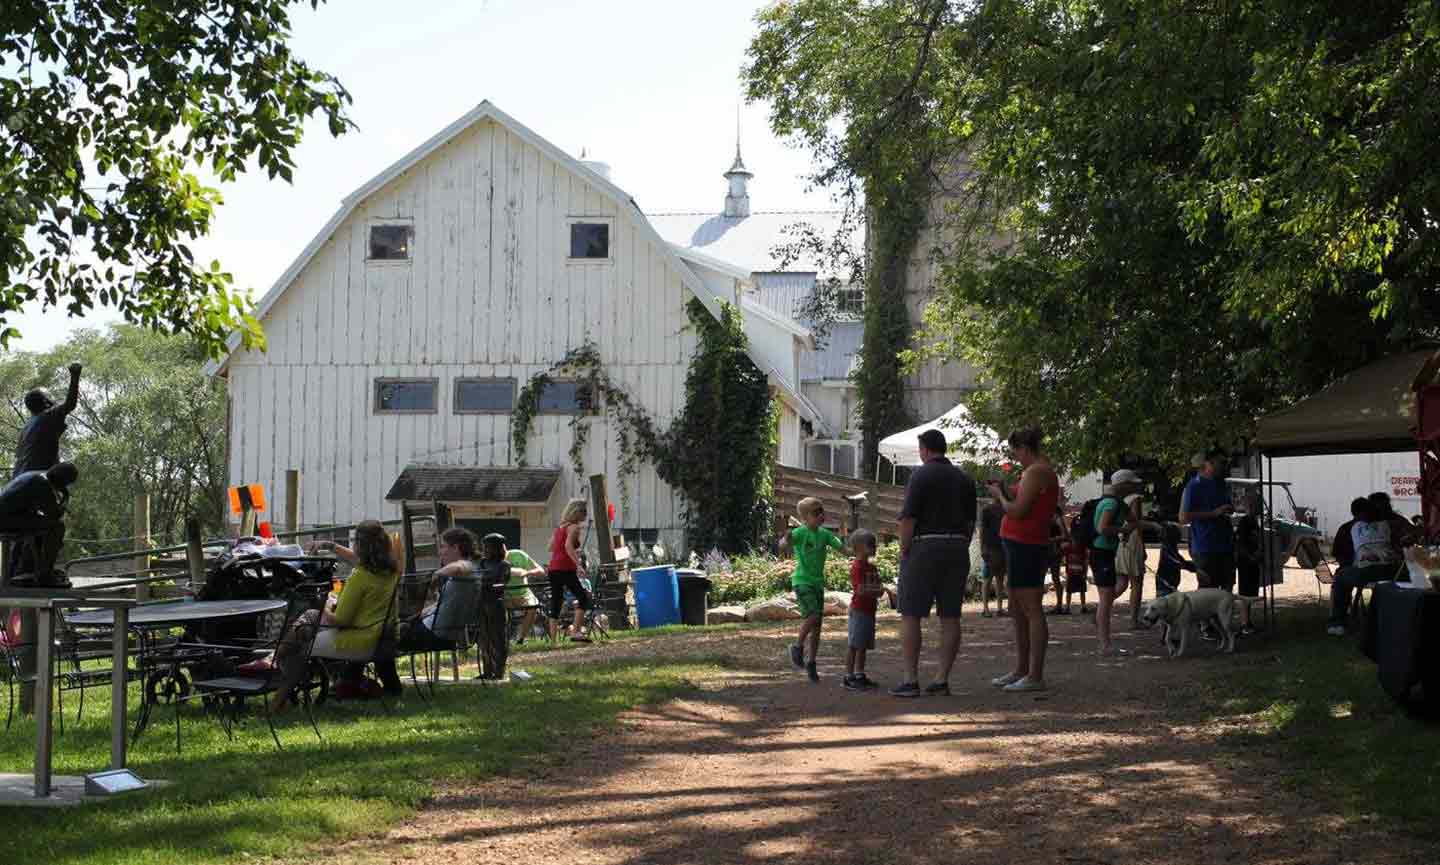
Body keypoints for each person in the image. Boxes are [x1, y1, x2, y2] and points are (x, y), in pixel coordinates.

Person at [268, 520, 401, 710]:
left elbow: (342, 620)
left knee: (305, 638)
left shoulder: (360, 576)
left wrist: (320, 604)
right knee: (309, 619)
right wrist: (330, 546)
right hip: (383, 637)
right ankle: (275, 664)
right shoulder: (391, 570)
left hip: (361, 639)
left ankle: (276, 685)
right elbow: (358, 560)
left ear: (360, 546)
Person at [892, 428, 977, 698]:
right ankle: (941, 679)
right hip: (956, 547)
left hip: (924, 547)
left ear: (925, 450)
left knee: (911, 613)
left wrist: (903, 549)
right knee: (950, 616)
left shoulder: (920, 475)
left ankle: (910, 679)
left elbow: (908, 518)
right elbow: (971, 523)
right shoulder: (965, 479)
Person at [987, 426, 1059, 692]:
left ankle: (1034, 675)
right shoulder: (1035, 472)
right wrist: (1005, 491)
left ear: (1024, 448)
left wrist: (999, 497)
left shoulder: (1037, 471)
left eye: (1015, 452)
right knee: (1018, 609)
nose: (1015, 458)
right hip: (1020, 543)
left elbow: (1017, 511)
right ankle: (1022, 669)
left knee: (1031, 609)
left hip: (1027, 544)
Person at [782, 497, 844, 683]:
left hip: (817, 584)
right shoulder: (800, 533)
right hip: (802, 581)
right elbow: (782, 546)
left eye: (822, 511)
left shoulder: (824, 534)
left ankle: (812, 662)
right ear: (805, 518)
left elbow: (843, 548)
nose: (821, 515)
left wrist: (858, 550)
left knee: (817, 627)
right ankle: (797, 647)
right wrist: (785, 539)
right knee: (814, 616)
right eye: (816, 513)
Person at [1179, 449, 1236, 640]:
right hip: (1204, 544)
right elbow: (1183, 517)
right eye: (1219, 462)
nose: (1223, 465)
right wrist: (1213, 513)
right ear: (1208, 464)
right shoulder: (1193, 486)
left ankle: (1223, 623)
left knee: (1227, 585)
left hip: (1225, 543)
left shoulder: (1221, 484)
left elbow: (1225, 507)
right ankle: (1205, 626)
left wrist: (1229, 509)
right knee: (1206, 586)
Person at [1327, 497, 1403, 635]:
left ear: (1354, 513)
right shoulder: (1389, 525)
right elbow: (1399, 550)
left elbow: (1339, 555)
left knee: (1340, 578)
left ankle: (1337, 623)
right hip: (1393, 572)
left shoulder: (1347, 528)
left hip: (1364, 572)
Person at [0, 462, 79, 586]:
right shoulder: (42, 484)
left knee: (41, 525)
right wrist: (64, 498)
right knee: (57, 527)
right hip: (5, 521)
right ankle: (45, 576)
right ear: (61, 482)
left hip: (10, 517)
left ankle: (32, 570)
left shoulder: (35, 475)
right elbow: (54, 514)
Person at [12, 362, 82, 478]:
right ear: (46, 402)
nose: (54, 400)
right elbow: (70, 404)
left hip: (18, 478)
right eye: (51, 396)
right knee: (69, 469)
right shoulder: (47, 415)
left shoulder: (25, 429)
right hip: (37, 476)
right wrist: (75, 376)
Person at [1091, 479, 1131, 656]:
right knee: (1106, 599)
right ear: (1123, 485)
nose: (1135, 487)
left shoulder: (1120, 504)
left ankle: (1104, 640)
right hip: (1101, 553)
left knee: (1110, 594)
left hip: (1108, 553)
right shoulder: (1111, 503)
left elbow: (1134, 522)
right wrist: (1123, 531)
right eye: (1131, 484)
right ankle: (1105, 645)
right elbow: (1102, 528)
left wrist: (1153, 525)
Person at [548, 498, 594, 642]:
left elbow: (550, 547)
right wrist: (578, 564)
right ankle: (576, 632)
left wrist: (569, 550)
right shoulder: (574, 527)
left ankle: (553, 641)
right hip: (565, 569)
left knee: (556, 602)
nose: (586, 516)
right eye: (584, 512)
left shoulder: (560, 527)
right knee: (583, 597)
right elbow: (568, 546)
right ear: (577, 512)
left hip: (553, 569)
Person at [843, 529, 884, 691]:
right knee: (854, 644)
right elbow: (860, 590)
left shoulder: (872, 568)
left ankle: (859, 674)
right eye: (871, 545)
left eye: (875, 544)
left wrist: (875, 590)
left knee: (863, 645)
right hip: (859, 610)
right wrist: (875, 590)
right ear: (859, 547)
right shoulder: (857, 567)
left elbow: (878, 589)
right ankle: (848, 676)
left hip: (869, 610)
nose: (874, 547)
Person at [1116, 472, 1158, 629]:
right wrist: (1142, 546)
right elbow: (1136, 523)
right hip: (1132, 540)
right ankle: (1134, 620)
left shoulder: (1118, 500)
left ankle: (1102, 609)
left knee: (1121, 582)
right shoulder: (1135, 498)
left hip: (1121, 540)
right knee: (1137, 583)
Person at [502, 541, 546, 644]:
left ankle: (521, 638)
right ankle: (502, 638)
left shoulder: (518, 554)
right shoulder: (490, 560)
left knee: (534, 605)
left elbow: (541, 571)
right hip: (504, 596)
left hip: (524, 593)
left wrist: (527, 572)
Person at [1234, 491, 1262, 636]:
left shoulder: (1255, 522)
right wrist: (1250, 556)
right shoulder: (1244, 522)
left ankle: (1248, 621)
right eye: (1252, 504)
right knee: (1245, 594)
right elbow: (1241, 544)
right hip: (1245, 562)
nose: (1256, 507)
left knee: (1252, 593)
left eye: (1257, 503)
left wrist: (1258, 554)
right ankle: (1244, 623)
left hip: (1253, 561)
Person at [978, 500, 1007, 617]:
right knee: (987, 578)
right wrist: (982, 548)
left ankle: (1000, 608)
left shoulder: (1005, 509)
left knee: (1000, 579)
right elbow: (981, 530)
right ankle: (986, 608)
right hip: (990, 548)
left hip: (1002, 547)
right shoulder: (986, 510)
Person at [1155, 522, 1195, 597]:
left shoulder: (1169, 547)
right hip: (1165, 584)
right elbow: (1180, 563)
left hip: (1167, 583)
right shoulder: (1169, 549)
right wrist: (1196, 567)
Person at [1331, 497, 1367, 571]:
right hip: (1367, 570)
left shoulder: (1344, 528)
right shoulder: (1373, 529)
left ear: (1352, 512)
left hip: (1347, 570)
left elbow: (1336, 553)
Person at [1060, 525, 1090, 615]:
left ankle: (1083, 606)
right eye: (1073, 539)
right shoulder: (1068, 548)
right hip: (1071, 573)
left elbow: (1086, 561)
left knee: (1082, 590)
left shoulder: (1082, 549)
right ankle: (1067, 607)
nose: (1075, 541)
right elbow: (1062, 547)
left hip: (1080, 572)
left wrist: (1085, 572)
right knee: (1069, 591)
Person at [1047, 507, 1067, 614]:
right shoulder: (1047, 515)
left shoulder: (1056, 516)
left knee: (1055, 578)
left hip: (1053, 551)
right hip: (1046, 551)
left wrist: (1051, 540)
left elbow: (1065, 535)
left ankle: (1059, 605)